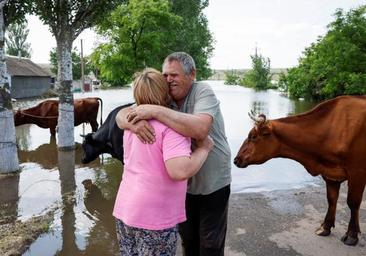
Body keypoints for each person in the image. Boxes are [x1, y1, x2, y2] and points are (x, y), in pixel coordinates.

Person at [116, 52, 232, 256]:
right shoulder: (164, 96)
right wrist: (133, 123)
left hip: (212, 182)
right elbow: (121, 115)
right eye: (165, 75)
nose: (168, 80)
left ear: (192, 74)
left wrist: (155, 112)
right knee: (188, 241)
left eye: (174, 75)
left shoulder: (202, 91)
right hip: (183, 188)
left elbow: (200, 130)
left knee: (211, 243)